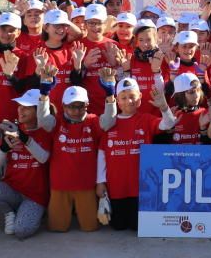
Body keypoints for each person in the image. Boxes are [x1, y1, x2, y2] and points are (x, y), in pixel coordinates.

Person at [98, 77, 177, 230]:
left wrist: (164, 108)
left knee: (137, 226)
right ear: (117, 101)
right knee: (118, 226)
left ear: (140, 98)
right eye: (124, 97)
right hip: (117, 187)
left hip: (141, 188)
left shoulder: (146, 119)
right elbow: (101, 154)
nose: (129, 101)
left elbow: (169, 123)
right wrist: (100, 181)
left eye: (132, 96)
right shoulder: (109, 123)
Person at [44, 71, 115, 233]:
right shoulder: (57, 122)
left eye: (80, 106)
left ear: (87, 105)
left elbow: (109, 121)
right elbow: (43, 120)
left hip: (86, 185)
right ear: (63, 106)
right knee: (57, 228)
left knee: (90, 227)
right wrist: (44, 93)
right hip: (60, 185)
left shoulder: (92, 120)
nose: (76, 111)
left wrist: (110, 95)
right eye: (71, 106)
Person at [0, 90, 52, 239]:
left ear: (39, 109)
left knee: (22, 231)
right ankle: (9, 212)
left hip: (35, 195)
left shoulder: (45, 131)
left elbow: (44, 158)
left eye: (26, 107)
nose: (20, 110)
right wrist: (4, 148)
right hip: (13, 189)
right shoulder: (14, 130)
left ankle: (33, 211)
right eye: (19, 106)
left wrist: (25, 139)